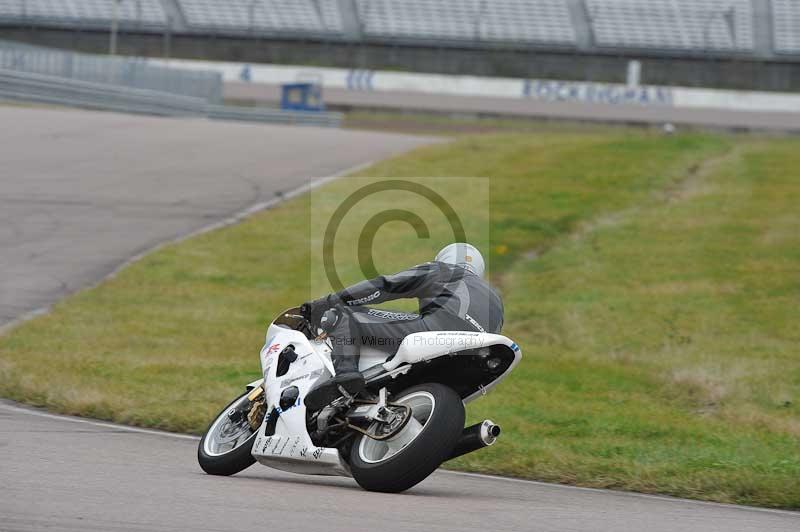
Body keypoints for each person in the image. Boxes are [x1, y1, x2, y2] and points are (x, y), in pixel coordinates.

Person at [301, 243, 504, 409]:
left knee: (343, 315)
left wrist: (327, 302)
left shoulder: (442, 270)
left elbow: (385, 286)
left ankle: (346, 376)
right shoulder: (496, 300)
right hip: (474, 361)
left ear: (445, 258)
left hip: (435, 332)